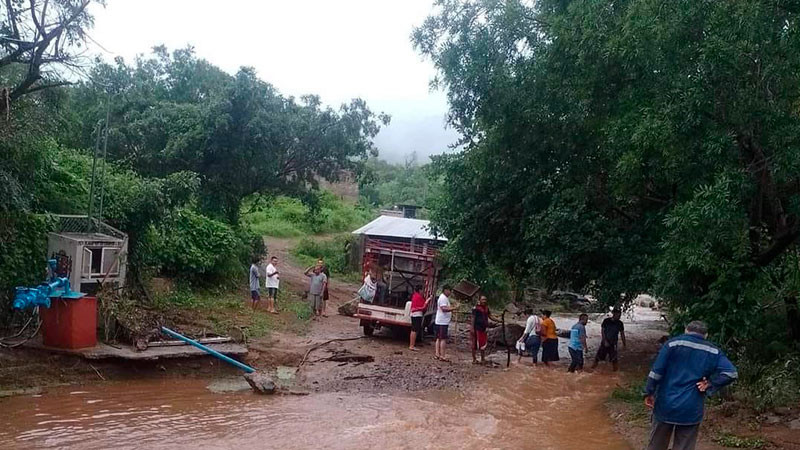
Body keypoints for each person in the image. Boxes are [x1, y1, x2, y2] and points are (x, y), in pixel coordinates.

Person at [644, 320, 738, 450]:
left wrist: (648, 392)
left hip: (665, 404)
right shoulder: (713, 351)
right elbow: (731, 373)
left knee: (656, 445)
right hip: (691, 408)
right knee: (684, 446)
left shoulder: (672, 344)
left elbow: (656, 372)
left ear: (686, 330)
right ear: (706, 335)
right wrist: (710, 384)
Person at [471, 295, 499, 364]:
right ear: (479, 300)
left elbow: (490, 316)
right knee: (474, 344)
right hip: (476, 328)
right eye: (483, 299)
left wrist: (499, 320)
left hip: (483, 329)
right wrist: (472, 328)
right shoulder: (476, 308)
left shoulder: (486, 308)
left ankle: (482, 358)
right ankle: (474, 359)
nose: (484, 301)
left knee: (483, 344)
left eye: (485, 299)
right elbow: (473, 318)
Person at [434, 285, 455, 361]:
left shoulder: (444, 298)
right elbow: (444, 309)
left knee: (439, 338)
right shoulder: (443, 298)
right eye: (449, 290)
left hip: (441, 321)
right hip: (442, 322)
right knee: (442, 339)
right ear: (446, 290)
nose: (450, 292)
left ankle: (437, 354)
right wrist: (453, 308)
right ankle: (442, 355)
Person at [409, 285, 428, 351]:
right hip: (416, 314)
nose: (423, 291)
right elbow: (423, 307)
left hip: (415, 314)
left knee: (415, 329)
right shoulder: (418, 297)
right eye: (422, 290)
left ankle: (412, 344)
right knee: (414, 330)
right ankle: (411, 345)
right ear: (420, 290)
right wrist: (427, 301)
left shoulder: (415, 296)